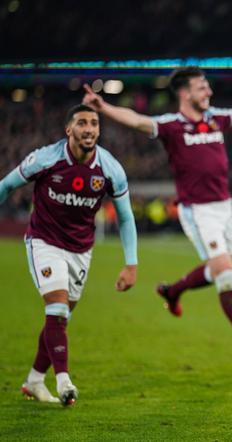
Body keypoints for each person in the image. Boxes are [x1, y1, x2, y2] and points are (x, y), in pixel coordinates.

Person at [83, 67, 232, 367]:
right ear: (184, 93)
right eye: (201, 87)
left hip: (225, 207)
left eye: (207, 87)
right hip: (197, 209)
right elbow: (138, 121)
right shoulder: (171, 125)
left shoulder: (216, 119)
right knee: (225, 272)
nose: (208, 92)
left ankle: (173, 291)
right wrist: (104, 107)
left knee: (217, 268)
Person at [0, 104, 138, 406]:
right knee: (58, 311)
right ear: (69, 130)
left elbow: (126, 218)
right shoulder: (46, 158)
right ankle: (64, 382)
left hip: (81, 250)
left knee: (59, 321)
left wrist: (131, 264)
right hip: (44, 242)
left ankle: (34, 381)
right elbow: (7, 185)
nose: (89, 128)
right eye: (82, 123)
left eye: (94, 123)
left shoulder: (110, 168)